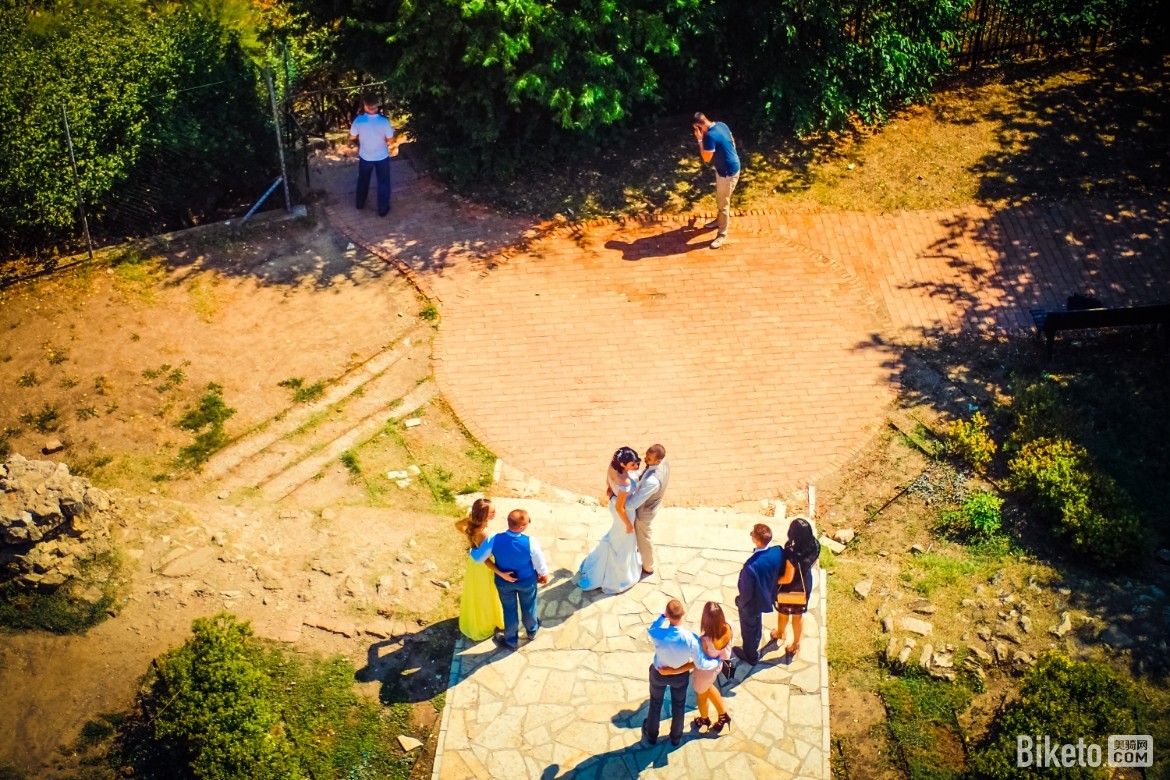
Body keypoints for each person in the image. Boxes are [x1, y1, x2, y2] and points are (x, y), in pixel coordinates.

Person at [469, 508, 551, 650]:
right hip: (526, 581)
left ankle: (511, 640)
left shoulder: (493, 539)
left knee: (509, 609)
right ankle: (532, 631)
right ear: (522, 527)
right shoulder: (531, 542)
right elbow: (539, 563)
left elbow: (478, 558)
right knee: (529, 606)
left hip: (504, 582)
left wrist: (472, 549)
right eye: (527, 522)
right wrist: (544, 575)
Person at [643, 599, 721, 747]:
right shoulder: (691, 639)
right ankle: (675, 737)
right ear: (683, 614)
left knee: (655, 703)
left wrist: (662, 616)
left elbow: (652, 628)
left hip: (658, 673)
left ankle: (652, 735)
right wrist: (718, 662)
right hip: (679, 677)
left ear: (668, 615)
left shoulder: (658, 634)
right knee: (679, 706)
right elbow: (702, 663)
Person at [576, 446, 643, 594]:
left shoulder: (612, 467)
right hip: (623, 514)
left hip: (614, 506)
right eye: (633, 464)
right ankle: (618, 576)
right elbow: (620, 508)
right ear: (623, 465)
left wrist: (610, 490)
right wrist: (628, 525)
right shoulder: (624, 482)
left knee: (616, 539)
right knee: (623, 543)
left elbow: (608, 481)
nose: (637, 466)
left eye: (637, 462)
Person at [732, 523, 784, 666]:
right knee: (756, 623)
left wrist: (740, 602)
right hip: (767, 595)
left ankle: (751, 655)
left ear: (756, 539)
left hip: (752, 603)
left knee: (749, 628)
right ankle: (756, 639)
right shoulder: (778, 551)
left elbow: (746, 592)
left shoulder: (750, 566)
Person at [454, 498, 505, 641]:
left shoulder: (472, 526)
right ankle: (487, 621)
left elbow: (458, 525)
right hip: (483, 567)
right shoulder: (484, 533)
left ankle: (484, 618)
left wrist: (469, 518)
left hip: (474, 564)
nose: (495, 513)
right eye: (492, 511)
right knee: (486, 593)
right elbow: (486, 560)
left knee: (478, 592)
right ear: (484, 515)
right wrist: (500, 572)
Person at [772, 517, 821, 657]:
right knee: (797, 616)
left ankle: (780, 633)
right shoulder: (815, 545)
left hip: (790, 588)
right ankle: (795, 644)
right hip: (804, 585)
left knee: (783, 613)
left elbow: (787, 577)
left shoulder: (792, 553)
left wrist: (775, 581)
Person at [692, 113, 741, 249]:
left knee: (724, 203)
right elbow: (731, 139)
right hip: (729, 168)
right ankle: (719, 221)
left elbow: (706, 158)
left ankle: (722, 235)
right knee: (721, 199)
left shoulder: (709, 137)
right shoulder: (721, 125)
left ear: (698, 126)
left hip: (727, 174)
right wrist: (731, 154)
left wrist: (700, 140)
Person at [625, 443, 670, 578]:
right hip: (653, 504)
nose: (645, 460)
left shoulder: (652, 481)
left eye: (649, 459)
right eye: (646, 456)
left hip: (644, 513)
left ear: (658, 460)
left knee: (644, 539)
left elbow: (633, 503)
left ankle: (648, 566)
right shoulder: (663, 463)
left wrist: (619, 500)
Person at [349, 93, 395, 217]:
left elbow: (352, 136)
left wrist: (361, 139)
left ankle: (360, 203)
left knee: (363, 180)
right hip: (382, 156)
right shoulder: (384, 121)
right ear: (377, 106)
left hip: (365, 156)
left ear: (365, 106)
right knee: (383, 182)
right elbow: (391, 139)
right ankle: (382, 209)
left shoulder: (359, 120)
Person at [692, 602, 734, 735]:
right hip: (717, 666)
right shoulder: (729, 626)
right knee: (709, 688)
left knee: (701, 696)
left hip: (704, 672)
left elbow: (700, 659)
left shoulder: (704, 640)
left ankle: (704, 719)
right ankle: (723, 716)